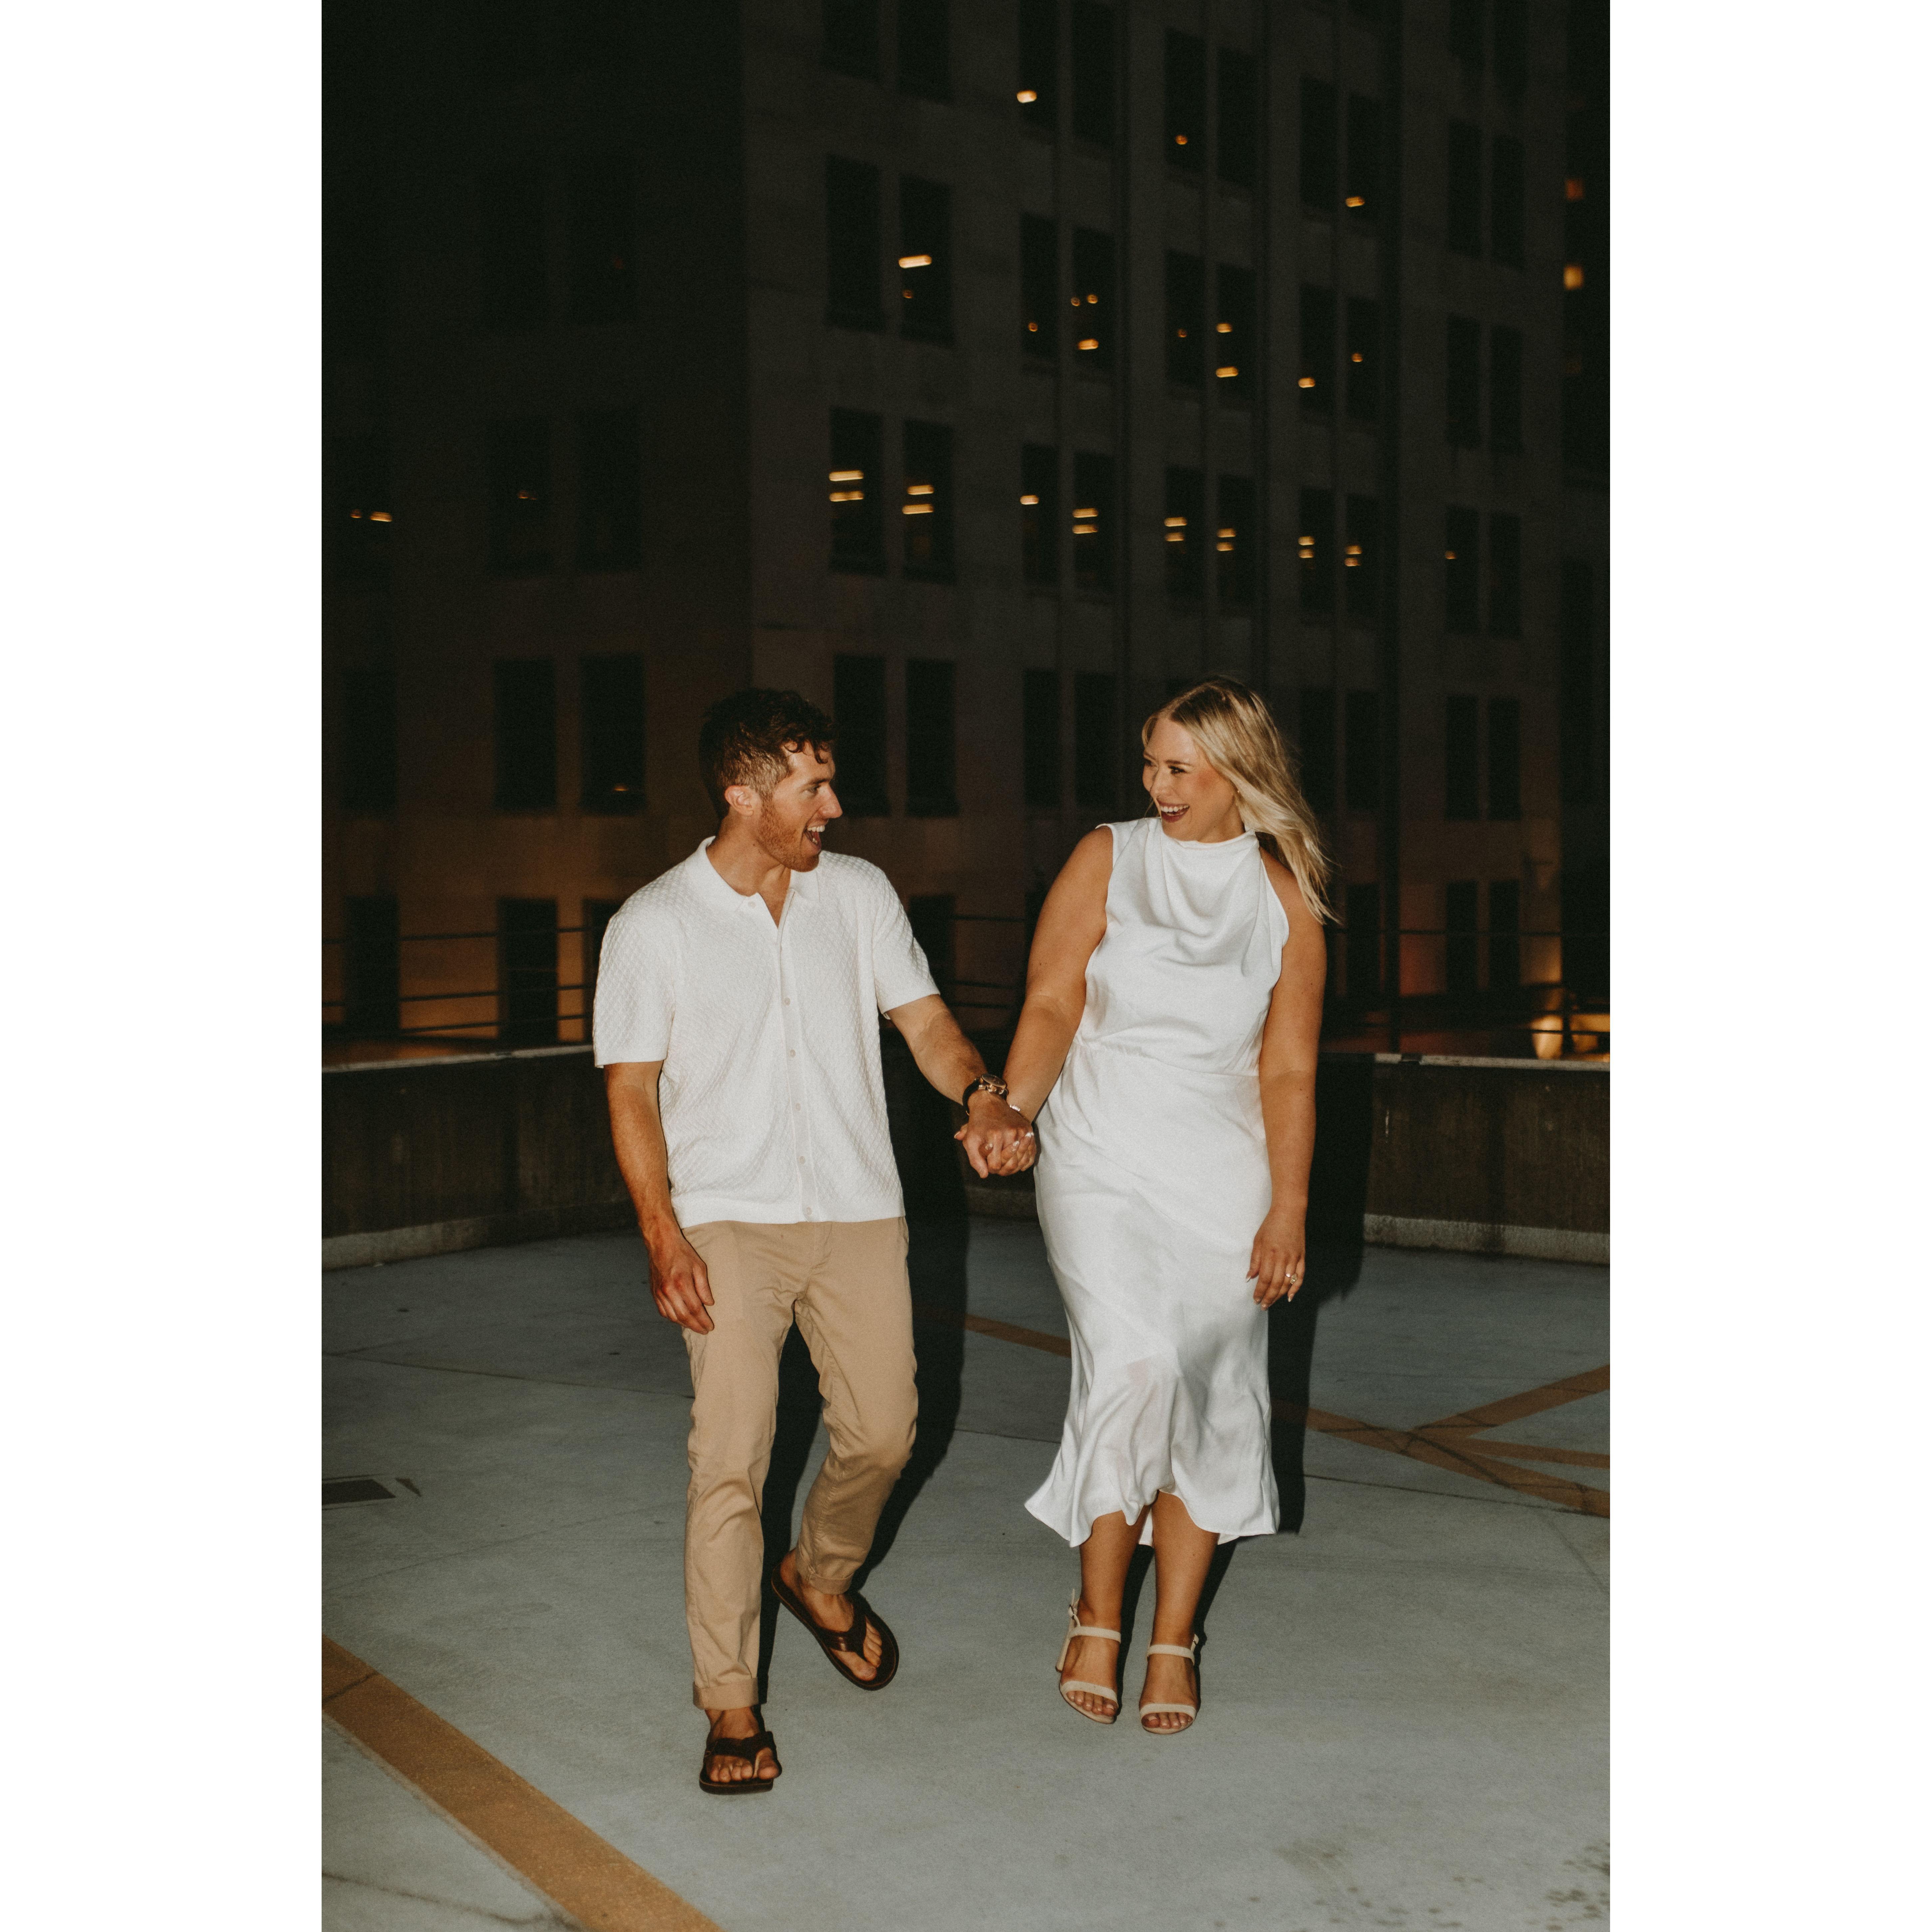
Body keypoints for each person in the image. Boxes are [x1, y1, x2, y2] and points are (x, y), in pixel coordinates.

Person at [594, 689, 1036, 1794]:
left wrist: (981, 1093)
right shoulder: (654, 923)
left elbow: (923, 1022)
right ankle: (730, 1700)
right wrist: (662, 1233)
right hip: (727, 1218)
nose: (833, 807)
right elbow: (632, 1091)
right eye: (812, 787)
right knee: (731, 1458)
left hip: (855, 1205)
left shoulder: (859, 894)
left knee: (884, 1432)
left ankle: (819, 1574)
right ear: (743, 795)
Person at [997, 677, 1330, 1735]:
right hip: (1099, 1148)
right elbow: (1052, 998)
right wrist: (1011, 1107)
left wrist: (1288, 1208)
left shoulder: (1283, 894)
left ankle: (1172, 1635)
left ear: (1236, 772)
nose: (1155, 784)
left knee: (1208, 1386)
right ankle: (1098, 1610)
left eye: (1177, 767)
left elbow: (1289, 1069)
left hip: (1223, 1167)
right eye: (1149, 762)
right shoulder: (1108, 855)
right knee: (1133, 1365)